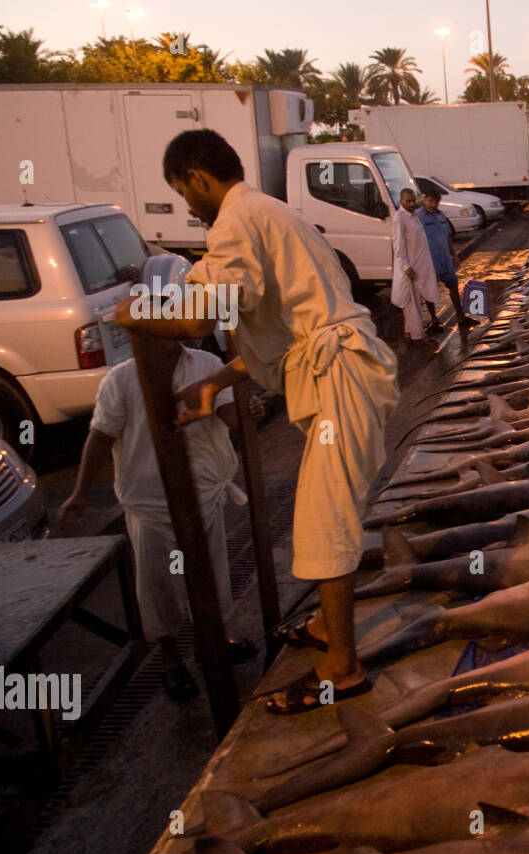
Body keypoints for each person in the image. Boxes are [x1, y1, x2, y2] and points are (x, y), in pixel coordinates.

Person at [115, 129, 399, 714]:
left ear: (197, 177)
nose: (188, 207)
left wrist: (134, 314)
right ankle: (327, 623)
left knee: (324, 520)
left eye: (182, 191)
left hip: (340, 377)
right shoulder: (271, 214)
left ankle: (342, 670)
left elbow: (203, 316)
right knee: (333, 510)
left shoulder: (237, 218)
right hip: (340, 369)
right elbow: (283, 337)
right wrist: (214, 382)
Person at [58, 338, 261, 700]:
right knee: (157, 587)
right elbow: (100, 438)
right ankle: (170, 660)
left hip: (203, 494)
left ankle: (209, 644)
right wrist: (80, 494)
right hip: (148, 502)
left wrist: (250, 408)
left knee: (210, 577)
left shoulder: (206, 364)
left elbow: (230, 416)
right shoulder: (120, 380)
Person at [416, 184, 467, 333]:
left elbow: (447, 237)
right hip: (429, 262)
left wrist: (454, 254)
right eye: (431, 201)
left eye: (436, 201)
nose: (433, 204)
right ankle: (434, 320)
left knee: (453, 286)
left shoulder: (440, 215)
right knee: (429, 291)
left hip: (445, 259)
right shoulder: (418, 217)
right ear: (425, 200)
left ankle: (461, 317)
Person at [391, 188, 439, 341]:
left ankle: (409, 331)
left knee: (415, 301)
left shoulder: (413, 216)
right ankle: (418, 336)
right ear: (401, 201)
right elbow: (398, 246)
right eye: (408, 201)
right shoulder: (399, 218)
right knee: (412, 303)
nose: (412, 204)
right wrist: (406, 267)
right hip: (410, 268)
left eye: (413, 201)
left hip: (419, 265)